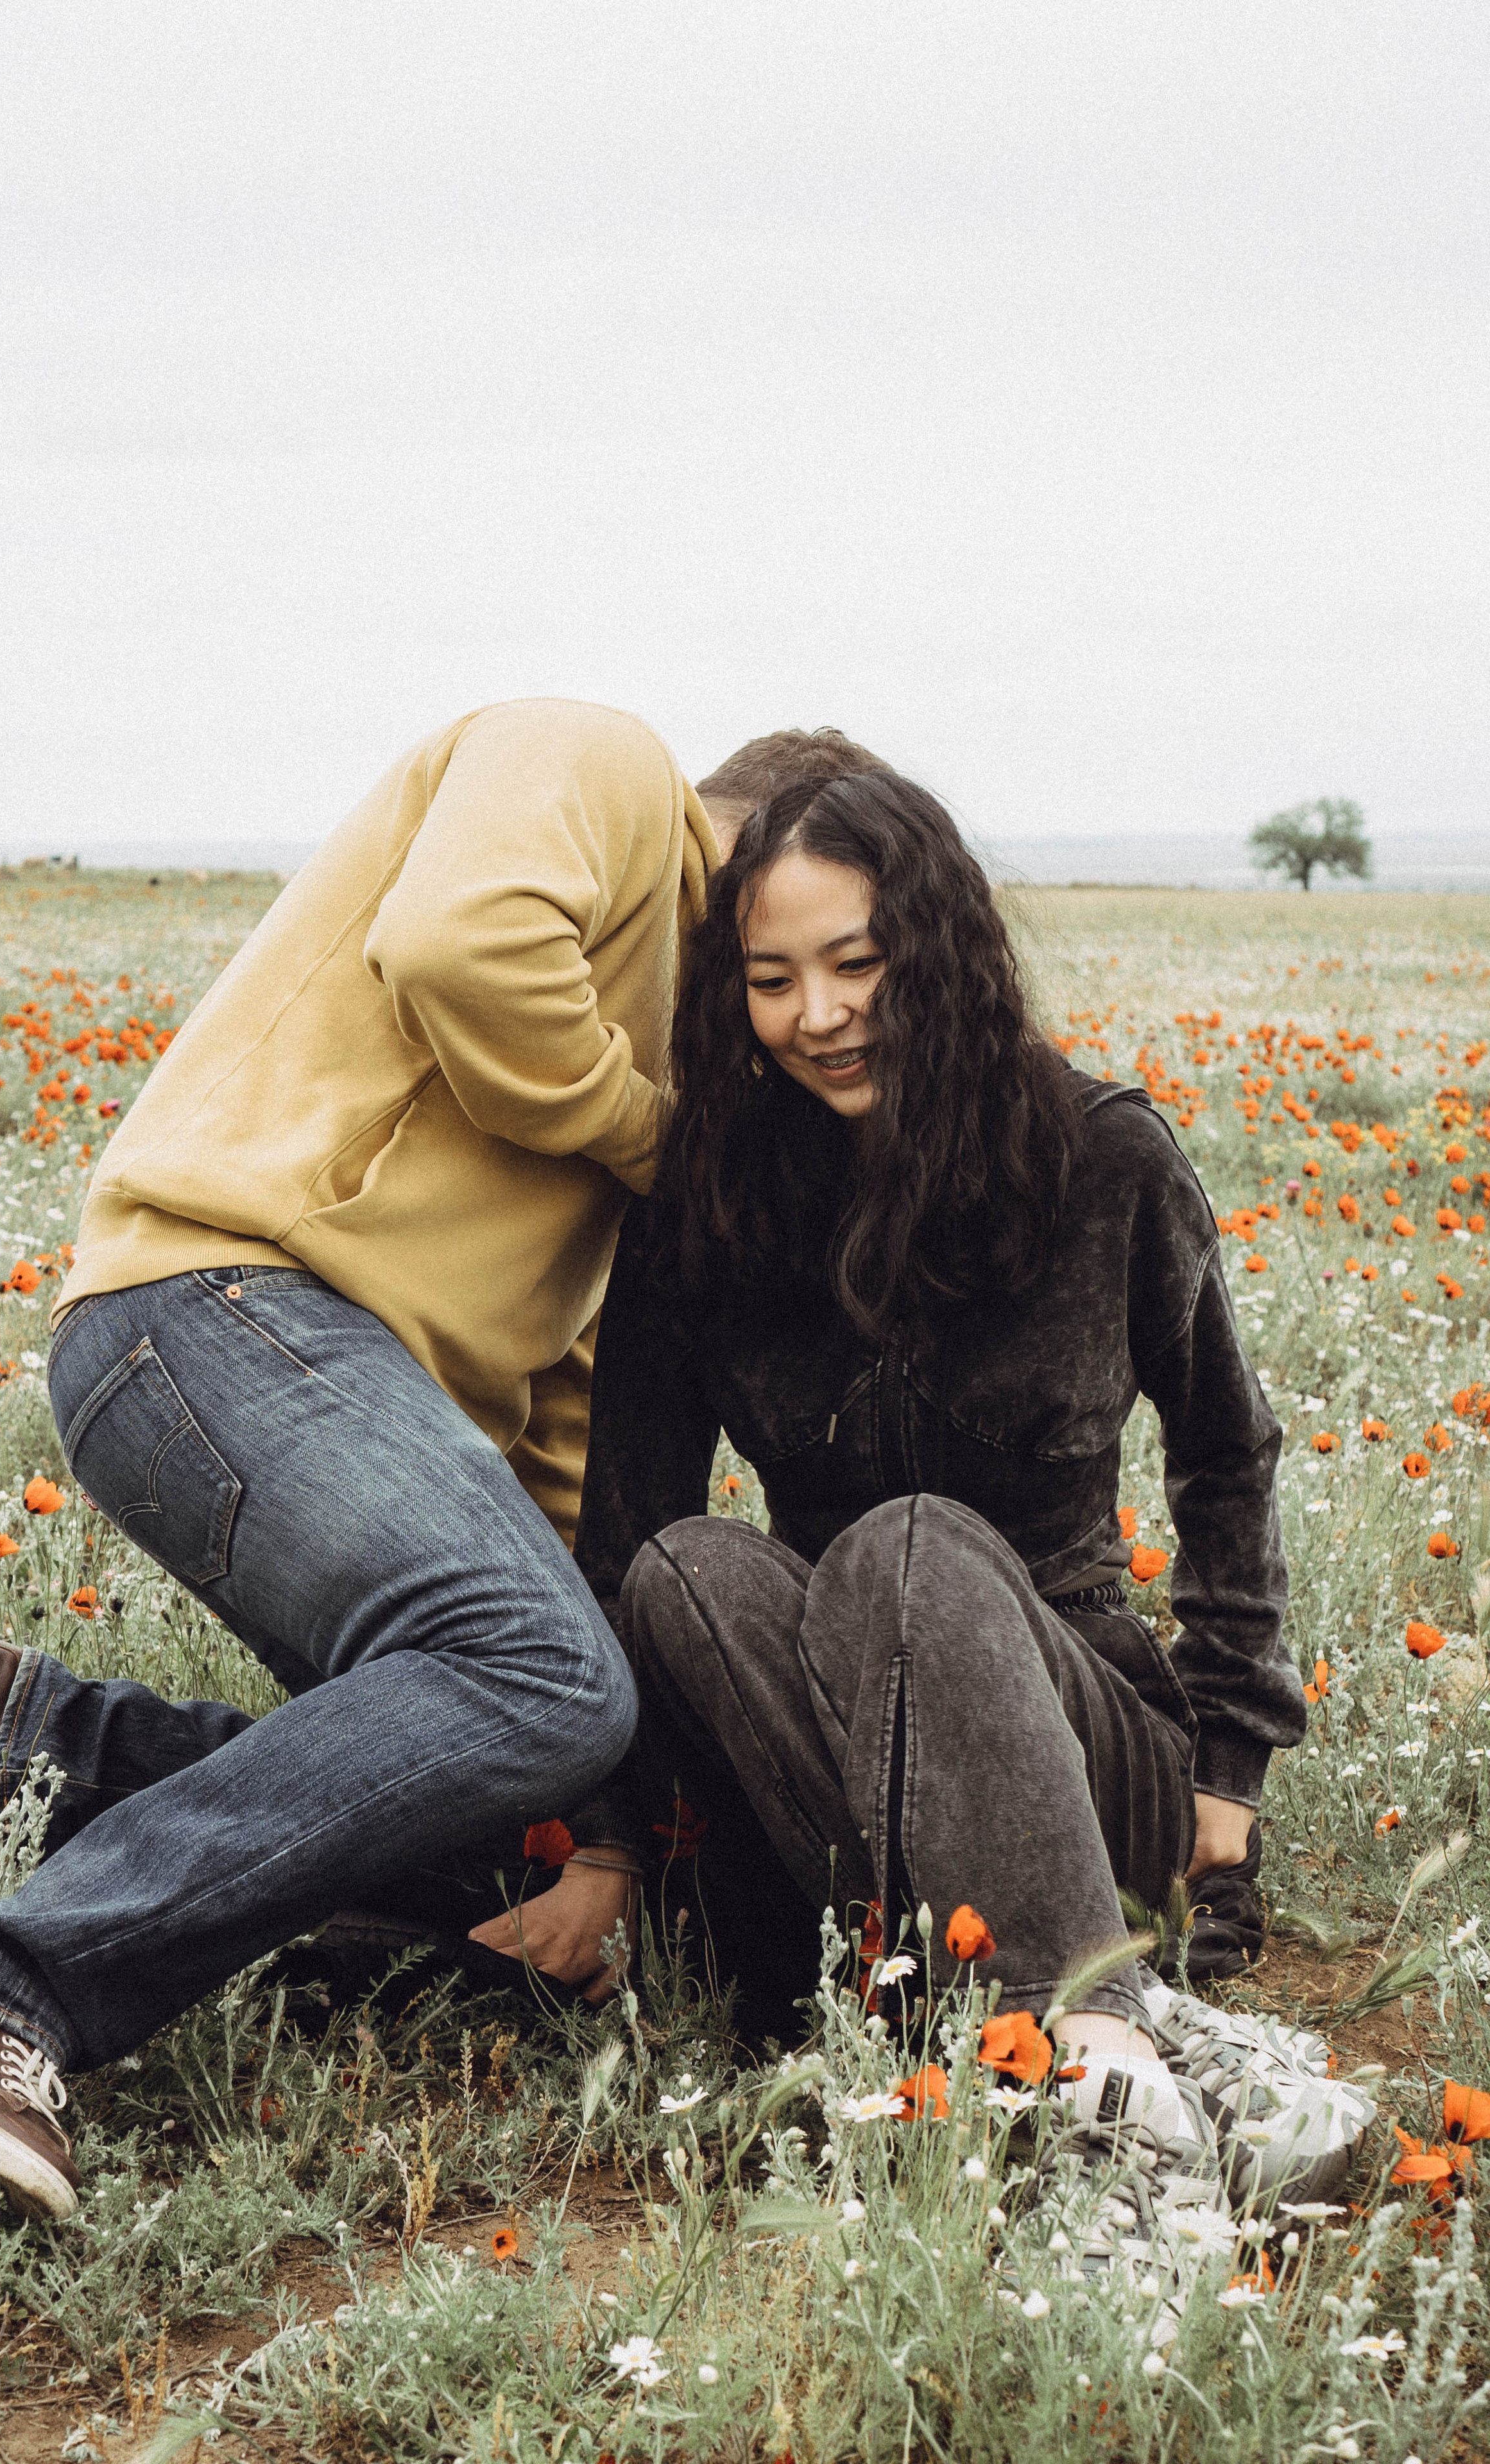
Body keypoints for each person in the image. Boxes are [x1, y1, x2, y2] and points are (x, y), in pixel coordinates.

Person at [0, 705, 884, 2219]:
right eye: (790, 950)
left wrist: (596, 1825)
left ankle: (32, 1759)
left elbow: (561, 1446)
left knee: (528, 1794)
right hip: (220, 1302)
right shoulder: (599, 763)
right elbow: (462, 945)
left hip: (311, 1376)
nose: (806, 1011)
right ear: (771, 850)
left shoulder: (655, 1065)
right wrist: (653, 1136)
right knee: (543, 1681)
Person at [573, 764, 1374, 2281]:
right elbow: (628, 1534)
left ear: (936, 945)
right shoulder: (706, 1207)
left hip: (1087, 1763)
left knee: (908, 1545)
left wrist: (1225, 1766)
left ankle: (1100, 2080)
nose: (821, 1013)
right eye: (771, 978)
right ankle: (1160, 2053)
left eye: (858, 961)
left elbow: (1224, 1452)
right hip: (832, 1785)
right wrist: (613, 1848)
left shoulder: (1099, 1158)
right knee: (688, 1571)